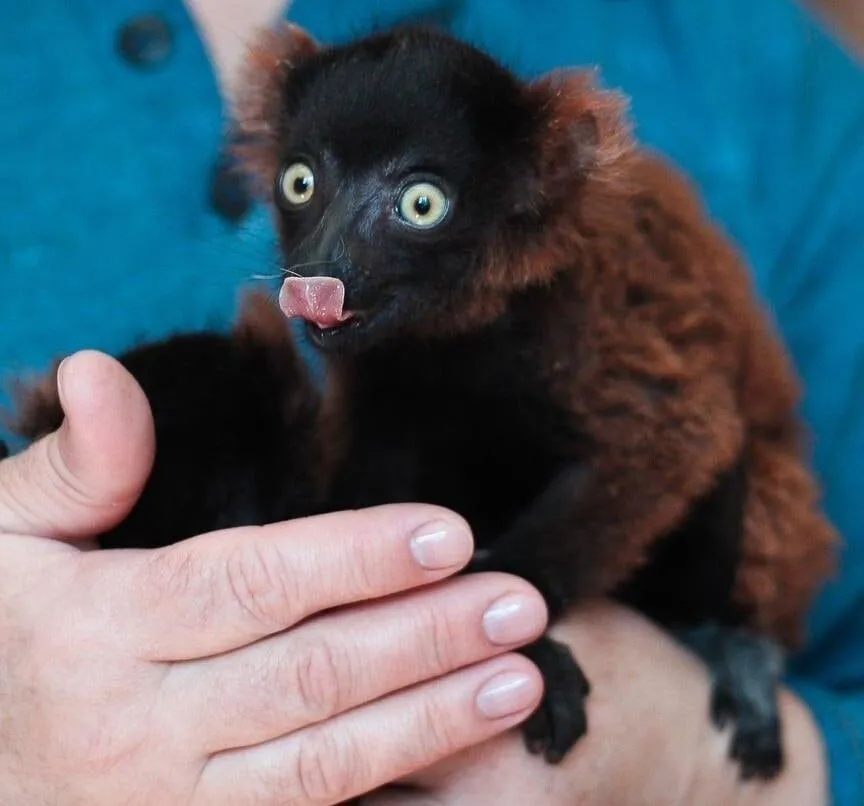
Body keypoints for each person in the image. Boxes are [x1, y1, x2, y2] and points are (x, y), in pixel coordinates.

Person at [0, 0, 861, 803]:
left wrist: (700, 765)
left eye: (416, 204)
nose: (322, 261)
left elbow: (671, 441)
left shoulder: (749, 71)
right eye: (306, 186)